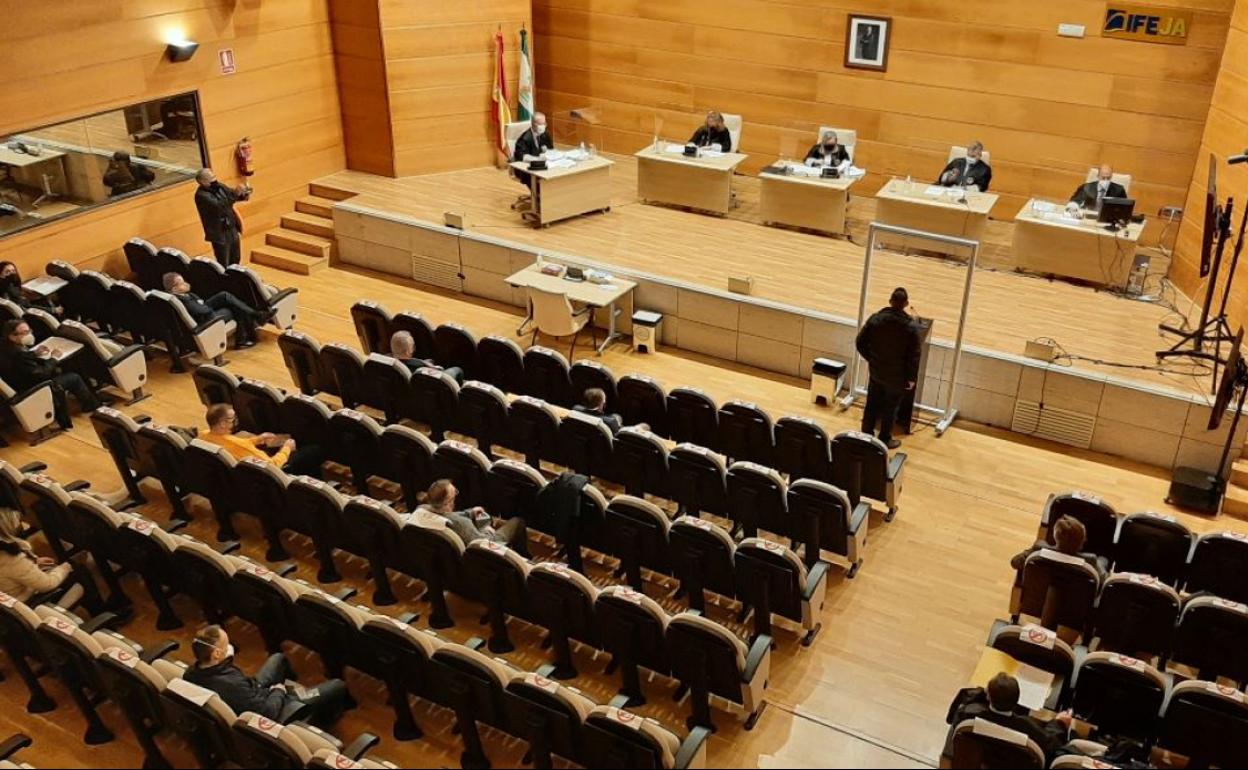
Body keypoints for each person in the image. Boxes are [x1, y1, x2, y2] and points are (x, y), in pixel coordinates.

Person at [185, 624, 354, 728]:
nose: (229, 646)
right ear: (216, 653)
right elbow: (268, 713)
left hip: (254, 691)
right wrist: (279, 691)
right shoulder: (232, 685)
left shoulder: (192, 673)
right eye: (226, 644)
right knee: (337, 685)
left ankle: (295, 687)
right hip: (277, 708)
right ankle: (324, 716)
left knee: (278, 658)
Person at [946, 672, 1074, 763]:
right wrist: (1059, 723)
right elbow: (1053, 747)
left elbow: (954, 719)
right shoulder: (1029, 728)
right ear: (1017, 700)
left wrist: (982, 692)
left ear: (988, 696)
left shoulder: (968, 714)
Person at [0, 319, 100, 429]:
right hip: (33, 388)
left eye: (29, 331)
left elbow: (22, 361)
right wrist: (53, 359)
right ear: (12, 336)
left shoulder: (5, 346)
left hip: (17, 384)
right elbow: (41, 375)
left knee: (62, 370)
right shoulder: (19, 355)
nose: (29, 335)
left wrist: (34, 353)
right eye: (25, 333)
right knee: (73, 377)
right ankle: (92, 405)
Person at [855, 288, 920, 450]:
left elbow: (860, 342)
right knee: (890, 407)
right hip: (898, 376)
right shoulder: (911, 327)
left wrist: (871, 359)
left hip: (876, 371)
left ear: (890, 301)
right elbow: (914, 356)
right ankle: (884, 438)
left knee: (871, 403)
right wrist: (911, 379)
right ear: (906, 304)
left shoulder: (876, 319)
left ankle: (866, 434)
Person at [0, 508, 102, 611]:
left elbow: (13, 572)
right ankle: (98, 611)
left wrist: (34, 562)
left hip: (9, 603)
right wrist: (66, 566)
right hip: (27, 604)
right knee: (79, 572)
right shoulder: (13, 559)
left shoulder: (6, 555)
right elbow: (48, 584)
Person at [200, 404, 325, 479]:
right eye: (232, 419)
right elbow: (273, 465)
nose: (235, 421)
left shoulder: (204, 435)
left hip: (235, 474)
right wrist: (286, 448)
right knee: (314, 450)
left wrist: (257, 439)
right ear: (222, 423)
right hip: (272, 474)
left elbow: (235, 443)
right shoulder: (240, 445)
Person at [416, 479, 528, 554]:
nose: (456, 494)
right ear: (447, 503)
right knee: (517, 522)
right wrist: (486, 529)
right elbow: (483, 543)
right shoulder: (461, 523)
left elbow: (450, 515)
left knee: (482, 513)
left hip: (442, 551)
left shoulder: (422, 509)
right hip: (481, 547)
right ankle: (522, 556)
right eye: (454, 493)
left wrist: (470, 512)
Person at [163, 272, 262, 349]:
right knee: (234, 308)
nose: (186, 284)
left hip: (204, 311)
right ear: (175, 289)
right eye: (182, 283)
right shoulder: (182, 300)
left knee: (225, 296)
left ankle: (255, 315)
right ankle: (242, 339)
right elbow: (201, 311)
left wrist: (200, 303)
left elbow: (197, 300)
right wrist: (201, 304)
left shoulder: (180, 295)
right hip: (206, 320)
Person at [1010, 516, 1109, 584]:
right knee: (1103, 560)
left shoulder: (1039, 549)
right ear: (1083, 541)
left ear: (1055, 536)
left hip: (1036, 602)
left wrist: (1027, 554)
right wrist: (1101, 563)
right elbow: (1104, 581)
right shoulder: (1090, 561)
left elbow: (1015, 562)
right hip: (1076, 609)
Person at [194, 168, 251, 267]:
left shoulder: (219, 186)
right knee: (224, 261)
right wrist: (235, 194)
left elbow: (231, 194)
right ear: (203, 182)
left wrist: (244, 192)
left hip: (232, 228)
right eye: (211, 178)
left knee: (236, 258)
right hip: (220, 233)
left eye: (214, 176)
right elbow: (219, 206)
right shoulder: (201, 196)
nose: (214, 180)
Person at [389, 330, 464, 384]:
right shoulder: (419, 365)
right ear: (408, 351)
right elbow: (439, 371)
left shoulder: (387, 361)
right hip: (432, 385)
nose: (414, 348)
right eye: (413, 346)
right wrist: (431, 366)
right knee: (457, 370)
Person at [511, 111, 555, 190]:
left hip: (542, 166)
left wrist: (548, 152)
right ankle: (539, 199)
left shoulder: (545, 134)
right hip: (525, 169)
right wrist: (538, 159)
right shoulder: (525, 138)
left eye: (544, 124)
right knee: (540, 185)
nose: (543, 126)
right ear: (533, 124)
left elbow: (551, 150)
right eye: (540, 124)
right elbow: (522, 157)